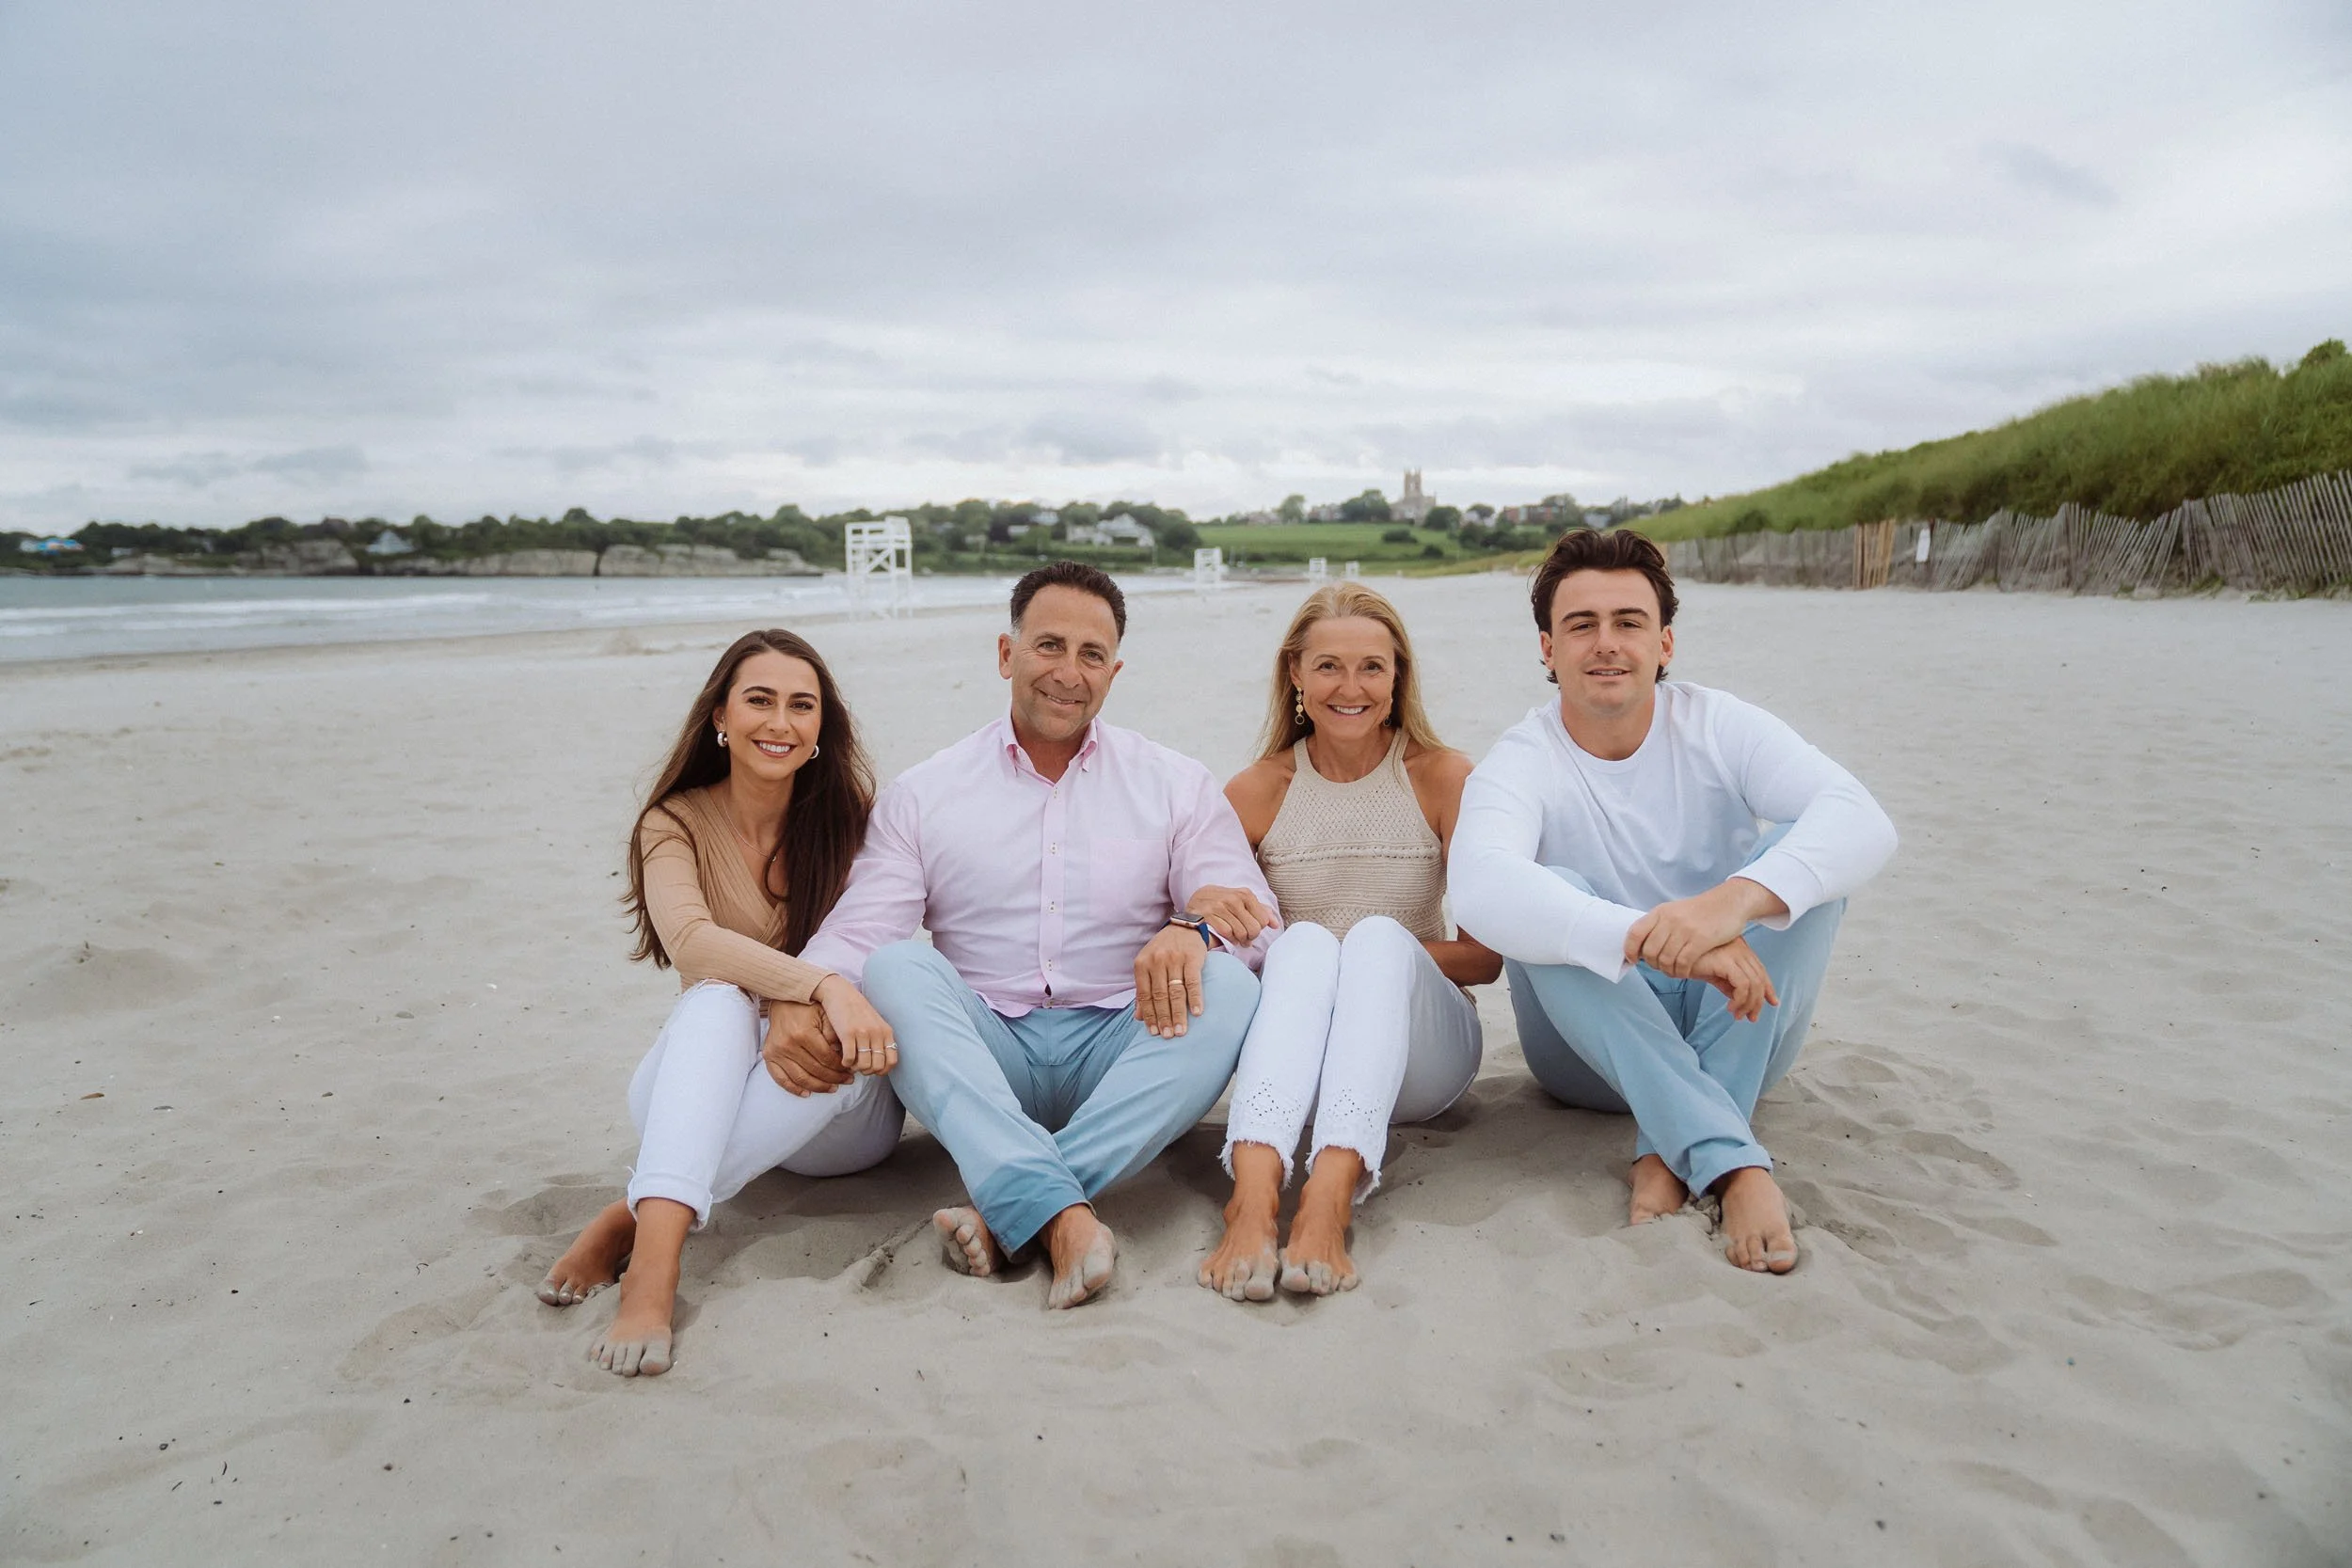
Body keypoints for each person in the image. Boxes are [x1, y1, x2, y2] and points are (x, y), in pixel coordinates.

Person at [800, 562, 1278, 1309]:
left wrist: (1194, 927)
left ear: (1114, 672)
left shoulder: (1174, 782)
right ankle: (1060, 1212)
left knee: (1228, 981)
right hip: (988, 1054)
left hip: (1124, 1046)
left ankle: (1013, 1207)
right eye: (1048, 646)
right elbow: (861, 931)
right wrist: (803, 993)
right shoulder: (927, 791)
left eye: (1092, 655)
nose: (1068, 672)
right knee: (895, 966)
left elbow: (1257, 918)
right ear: (1006, 654)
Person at [1448, 529, 1897, 1274]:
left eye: (1628, 622)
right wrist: (1647, 933)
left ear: (1665, 643)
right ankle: (1735, 1164)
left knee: (1802, 856)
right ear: (1546, 649)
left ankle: (1667, 1145)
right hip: (1589, 1057)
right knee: (1551, 895)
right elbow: (1480, 885)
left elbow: (1862, 817)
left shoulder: (1719, 724)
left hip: (1741, 1023)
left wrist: (1733, 903)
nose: (1606, 643)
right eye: (1580, 625)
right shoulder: (1521, 759)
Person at [538, 629, 905, 1375]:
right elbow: (694, 944)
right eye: (759, 700)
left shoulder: (853, 819)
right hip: (710, 1092)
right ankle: (657, 1261)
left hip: (837, 1107)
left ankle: (637, 1223)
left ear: (821, 729)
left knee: (818, 1037)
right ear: (720, 716)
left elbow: (881, 939)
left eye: (802, 706)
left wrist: (821, 1000)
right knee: (713, 1000)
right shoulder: (670, 822)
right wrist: (815, 983)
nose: (780, 722)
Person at [1200, 582, 1500, 1302]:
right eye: (1329, 666)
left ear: (1398, 676)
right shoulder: (1255, 790)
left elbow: (1484, 959)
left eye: (1372, 666)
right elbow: (1213, 932)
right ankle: (1254, 1198)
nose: (1351, 687)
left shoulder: (1443, 776)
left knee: (1365, 940)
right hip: (1295, 1064)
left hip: (1423, 1056)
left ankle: (1330, 1196)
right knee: (1299, 945)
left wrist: (1364, 958)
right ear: (1295, 674)